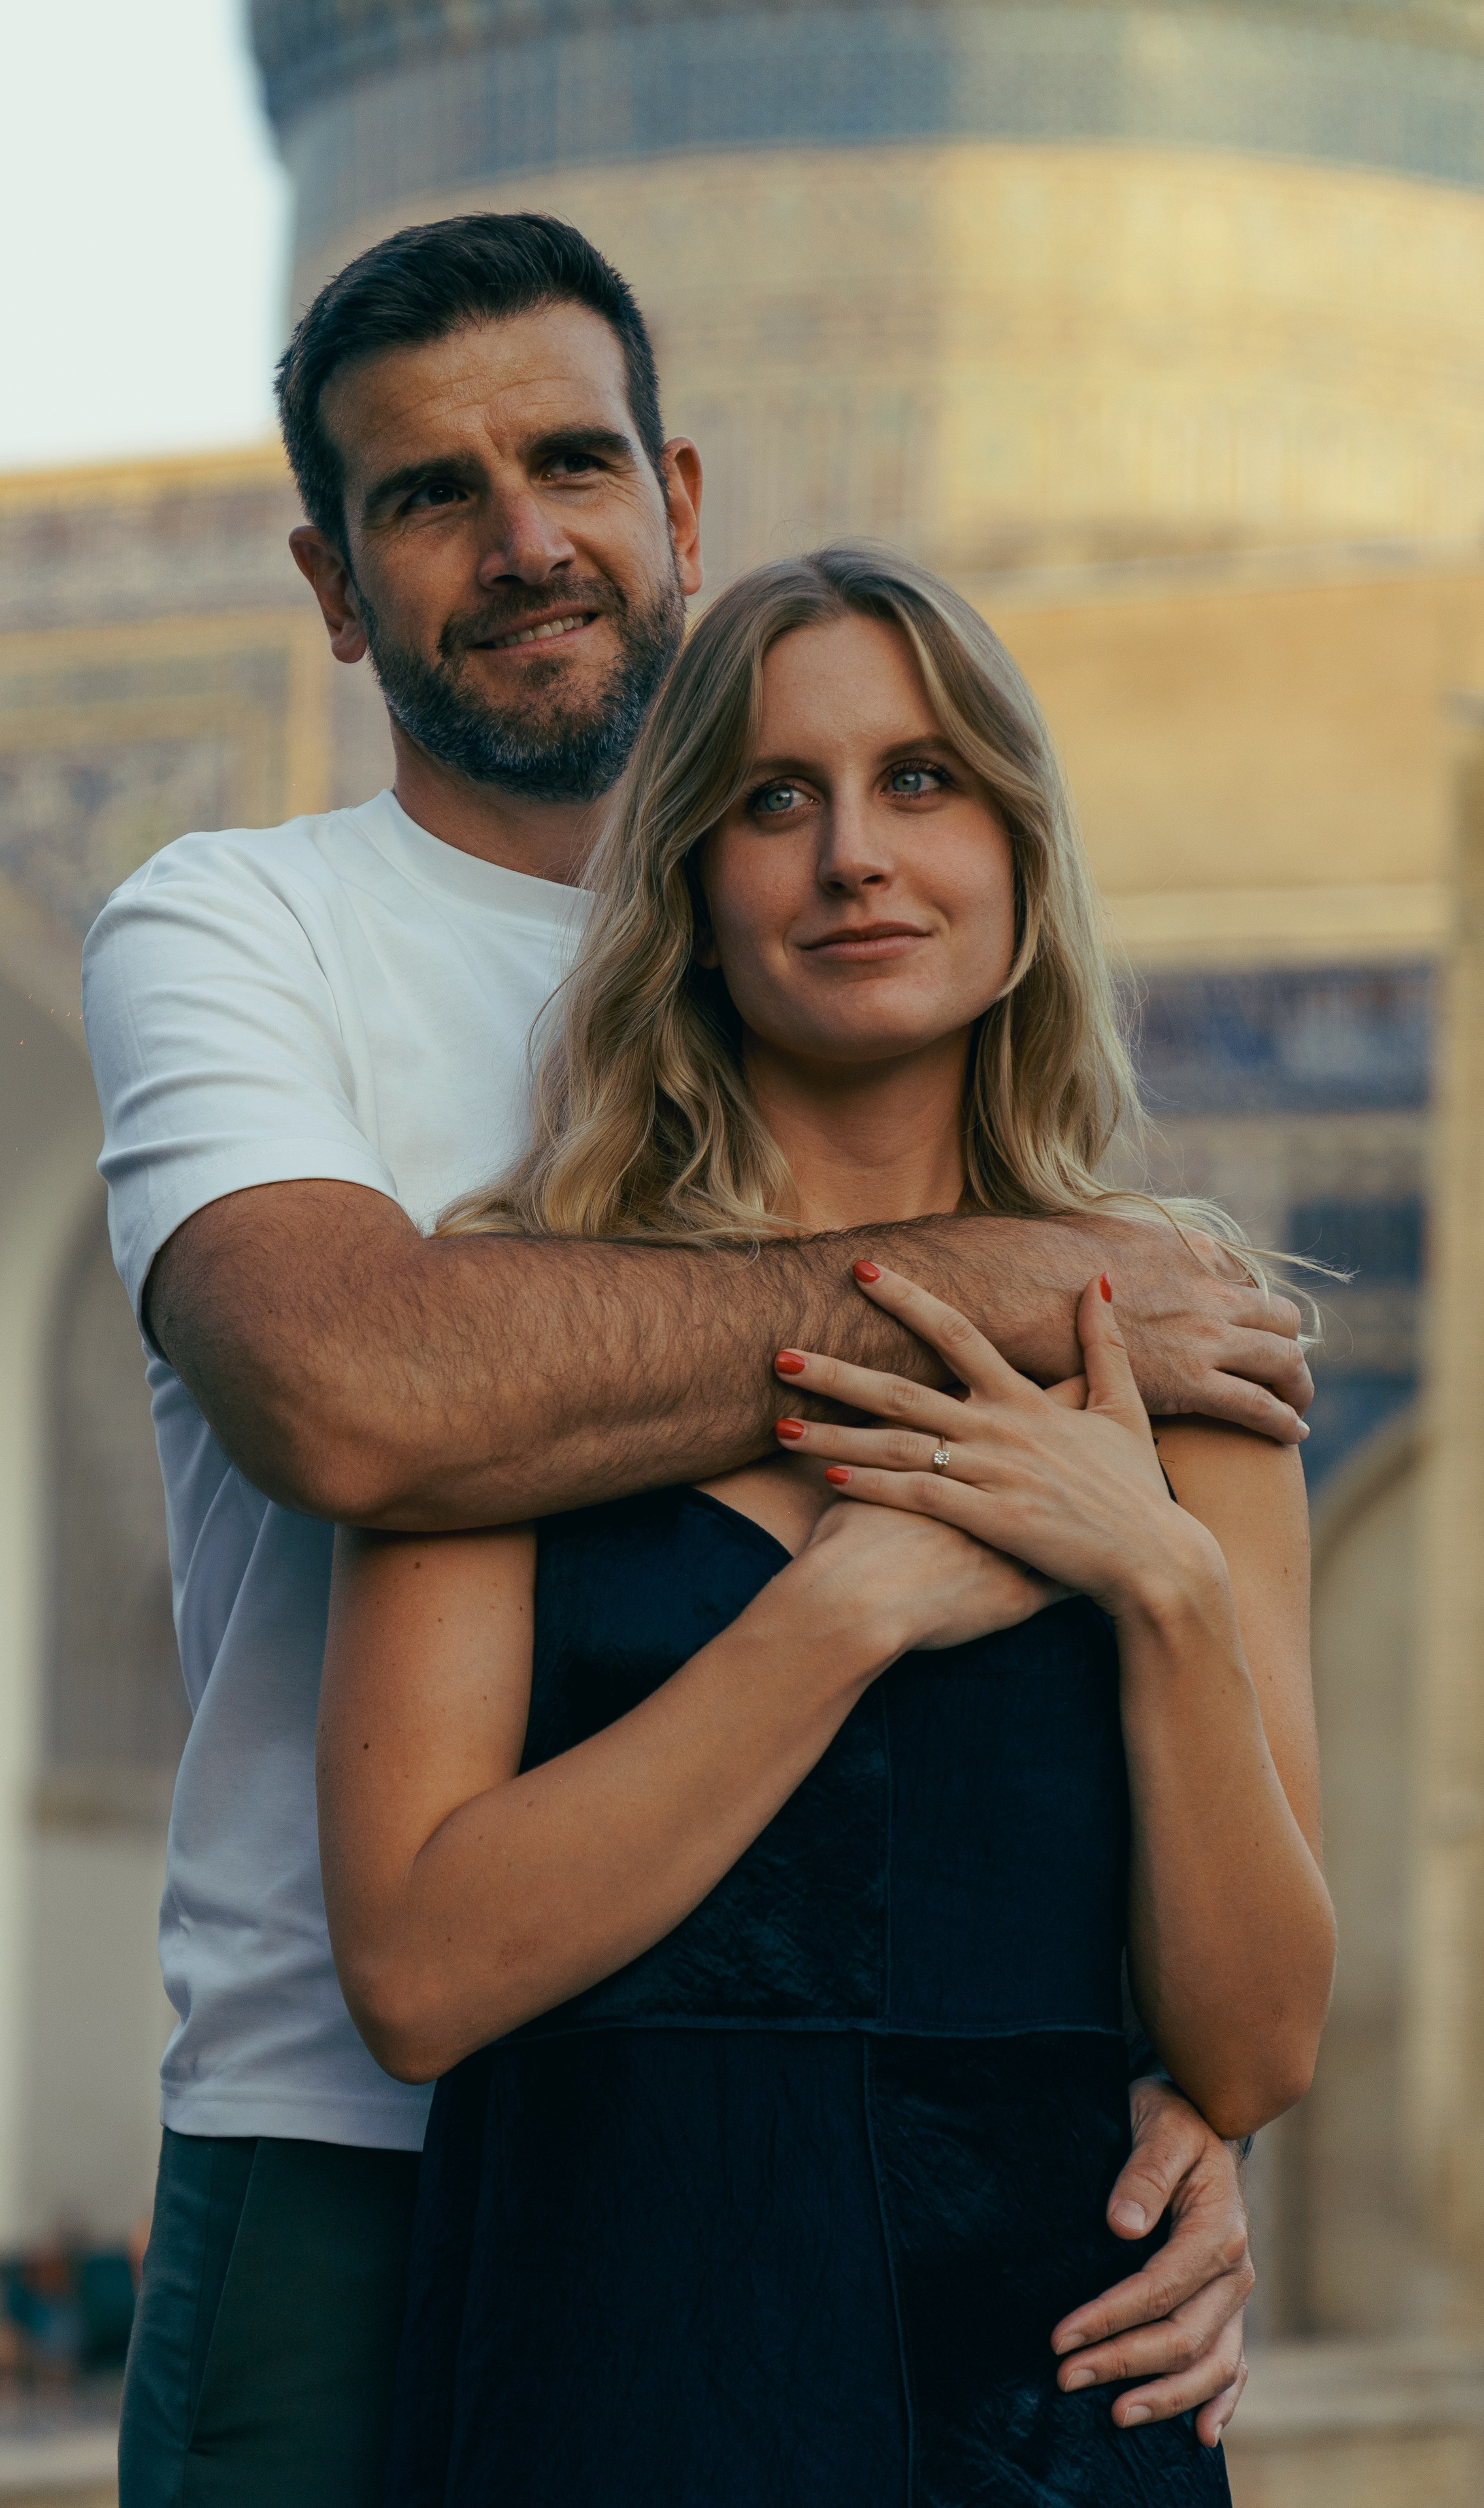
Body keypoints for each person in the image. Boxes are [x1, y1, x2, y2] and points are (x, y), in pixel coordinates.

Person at [86, 215, 1309, 2502]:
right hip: (355, 2142)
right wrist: (1018, 1294)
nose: (525, 540)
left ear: (682, 502)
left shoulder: (1023, 1178)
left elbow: (1242, 1961)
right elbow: (373, 1400)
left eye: (571, 462)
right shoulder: (239, 930)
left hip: (965, 2224)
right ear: (333, 587)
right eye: (429, 496)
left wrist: (1176, 2120)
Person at [318, 544, 1334, 2504]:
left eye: (923, 781)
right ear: (693, 887)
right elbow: (423, 1978)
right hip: (610, 2367)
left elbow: (1257, 2046)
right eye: (777, 800)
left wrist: (1162, 1583)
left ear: (1024, 862)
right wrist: (843, 1613)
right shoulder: (522, 1323)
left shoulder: (1180, 1342)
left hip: (1053, 2399)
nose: (856, 854)